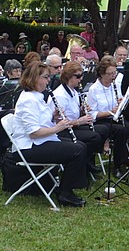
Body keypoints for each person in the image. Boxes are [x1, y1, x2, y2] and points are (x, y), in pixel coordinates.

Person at [11, 61, 88, 207]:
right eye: (45, 77)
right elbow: (34, 133)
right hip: (29, 147)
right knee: (77, 150)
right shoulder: (28, 100)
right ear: (34, 78)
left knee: (81, 146)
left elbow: (42, 121)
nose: (48, 81)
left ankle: (67, 188)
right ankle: (65, 193)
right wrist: (58, 127)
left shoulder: (37, 96)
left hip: (40, 142)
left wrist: (54, 116)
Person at [52, 61, 105, 175]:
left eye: (82, 75)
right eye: (78, 76)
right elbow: (59, 123)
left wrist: (82, 110)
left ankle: (86, 161)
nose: (81, 79)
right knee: (94, 137)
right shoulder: (60, 95)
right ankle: (85, 164)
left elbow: (75, 113)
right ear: (68, 76)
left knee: (103, 130)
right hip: (62, 131)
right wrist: (79, 121)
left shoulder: (73, 91)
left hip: (74, 125)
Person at [87, 56, 129, 172]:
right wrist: (109, 112)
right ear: (102, 74)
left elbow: (119, 101)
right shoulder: (94, 89)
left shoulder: (115, 85)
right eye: (110, 74)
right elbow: (92, 114)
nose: (113, 76)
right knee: (121, 131)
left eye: (114, 73)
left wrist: (122, 102)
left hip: (114, 118)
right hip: (101, 121)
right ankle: (118, 166)